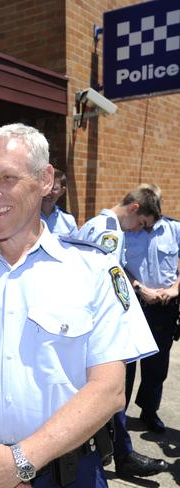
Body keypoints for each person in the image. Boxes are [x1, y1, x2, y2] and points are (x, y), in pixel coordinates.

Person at [0, 123, 158, 488]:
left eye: (7, 177)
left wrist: (19, 462)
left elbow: (109, 390)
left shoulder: (94, 269)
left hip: (69, 475)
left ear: (45, 179)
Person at [76, 186, 166, 478]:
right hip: (98, 325)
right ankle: (122, 455)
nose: (137, 230)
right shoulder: (110, 232)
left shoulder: (100, 225)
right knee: (111, 391)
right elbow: (106, 283)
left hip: (88, 323)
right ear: (134, 209)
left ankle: (114, 451)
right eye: (140, 224)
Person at [125, 189, 180, 435]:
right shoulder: (126, 230)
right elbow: (117, 266)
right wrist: (139, 288)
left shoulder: (174, 229)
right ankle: (118, 415)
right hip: (134, 304)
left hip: (164, 307)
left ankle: (149, 411)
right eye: (146, 221)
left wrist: (175, 289)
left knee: (157, 365)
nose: (147, 226)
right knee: (126, 364)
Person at [40, 169, 77, 236]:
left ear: (62, 191)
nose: (48, 192)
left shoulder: (68, 221)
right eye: (45, 187)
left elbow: (75, 245)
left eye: (54, 188)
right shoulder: (26, 218)